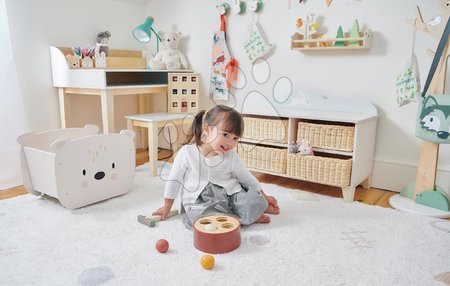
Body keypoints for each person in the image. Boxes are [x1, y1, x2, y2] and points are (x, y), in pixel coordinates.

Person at [153, 105, 280, 228]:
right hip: (201, 200)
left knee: (254, 201)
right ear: (207, 130)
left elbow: (246, 177)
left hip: (231, 195)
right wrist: (166, 207)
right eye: (225, 135)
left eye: (235, 138)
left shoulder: (230, 155)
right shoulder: (187, 152)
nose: (230, 143)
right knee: (201, 217)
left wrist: (264, 196)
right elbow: (174, 181)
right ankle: (241, 218)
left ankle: (246, 214)